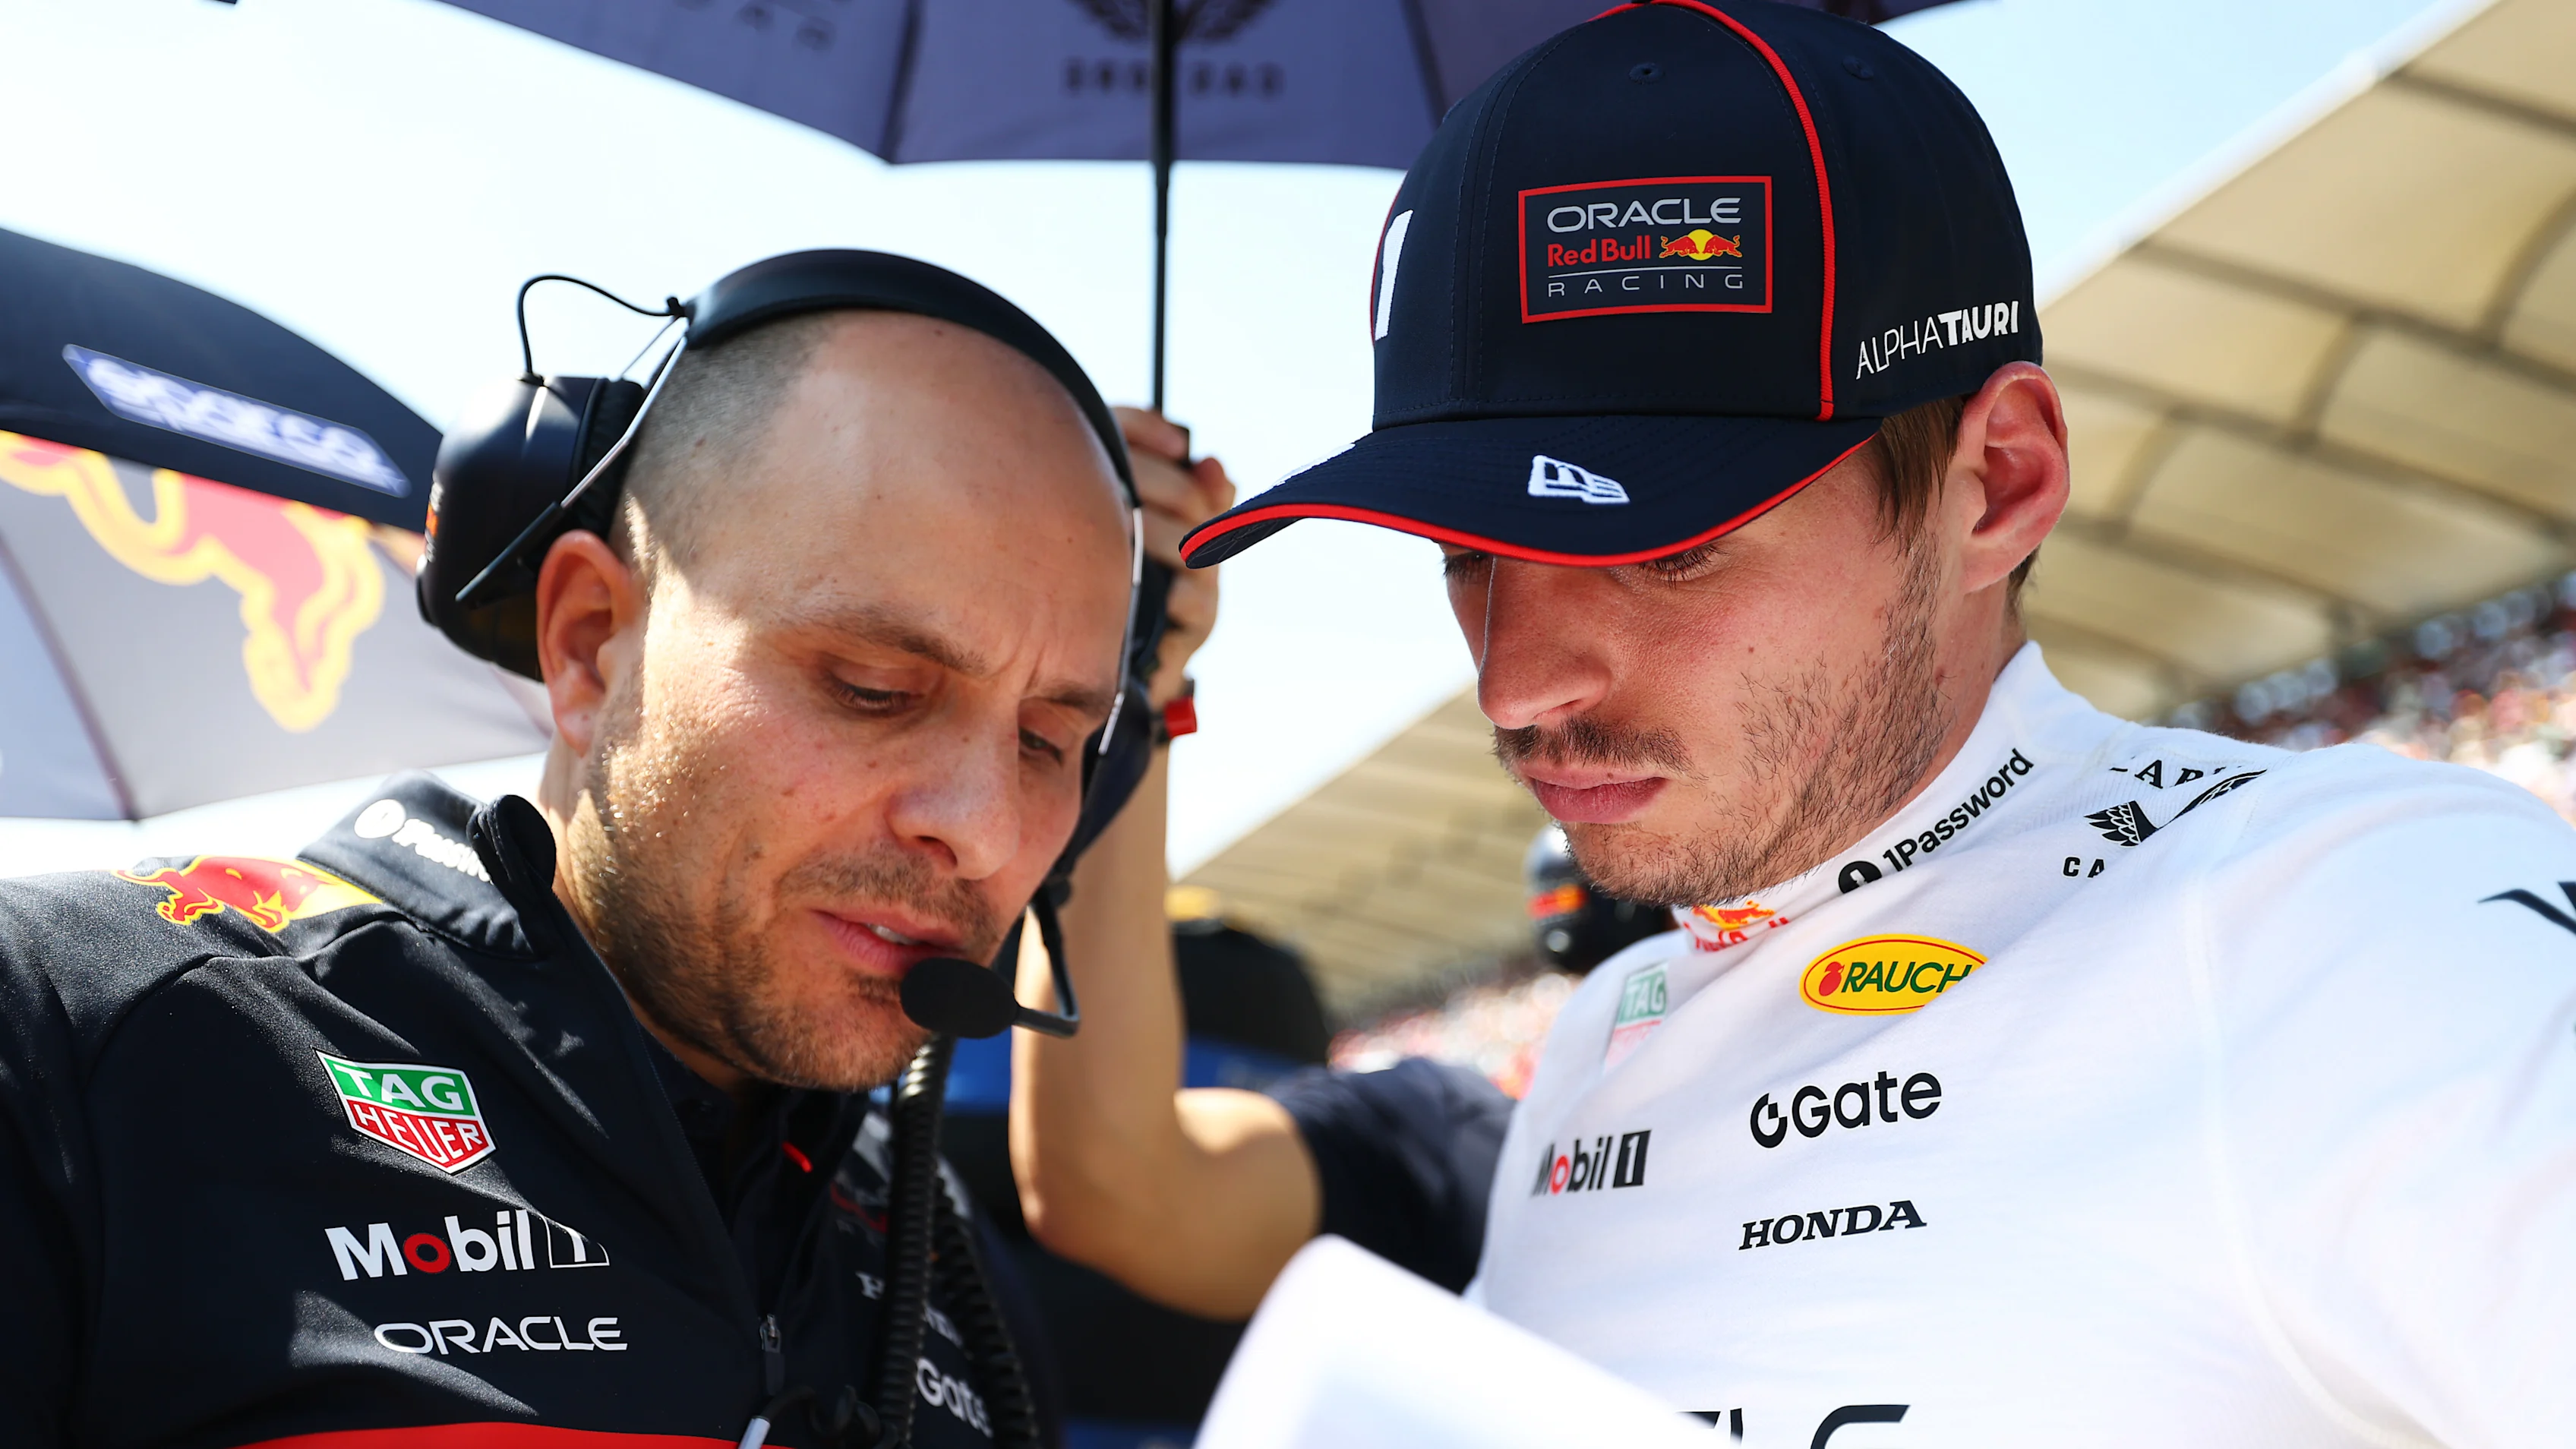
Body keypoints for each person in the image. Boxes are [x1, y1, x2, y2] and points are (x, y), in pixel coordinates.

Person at [1021, 5, 2576, 1446]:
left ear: (1999, 482)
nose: (1513, 684)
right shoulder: (1599, 1049)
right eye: (1467, 553)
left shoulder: (2351, 919)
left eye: (1659, 542)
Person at [0, 251, 1217, 1448]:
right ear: (589, 644)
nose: (983, 829)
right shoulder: (82, 1029)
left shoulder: (932, 1250)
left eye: (1052, 740)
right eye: (873, 688)